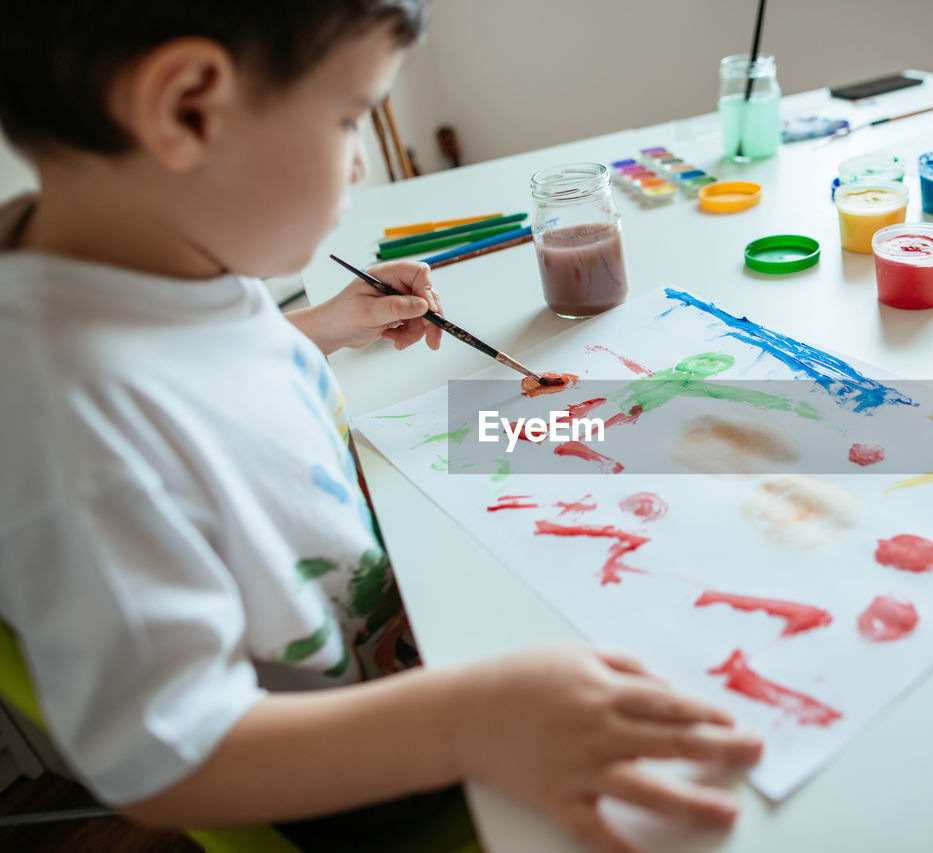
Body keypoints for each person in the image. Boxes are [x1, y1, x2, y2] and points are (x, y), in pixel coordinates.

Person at [0, 3, 762, 851]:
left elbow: (196, 377)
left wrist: (330, 323)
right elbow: (167, 754)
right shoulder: (62, 419)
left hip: (411, 613)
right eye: (348, 117)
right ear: (187, 108)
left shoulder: (157, 254)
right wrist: (468, 722)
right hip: (363, 760)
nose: (362, 161)